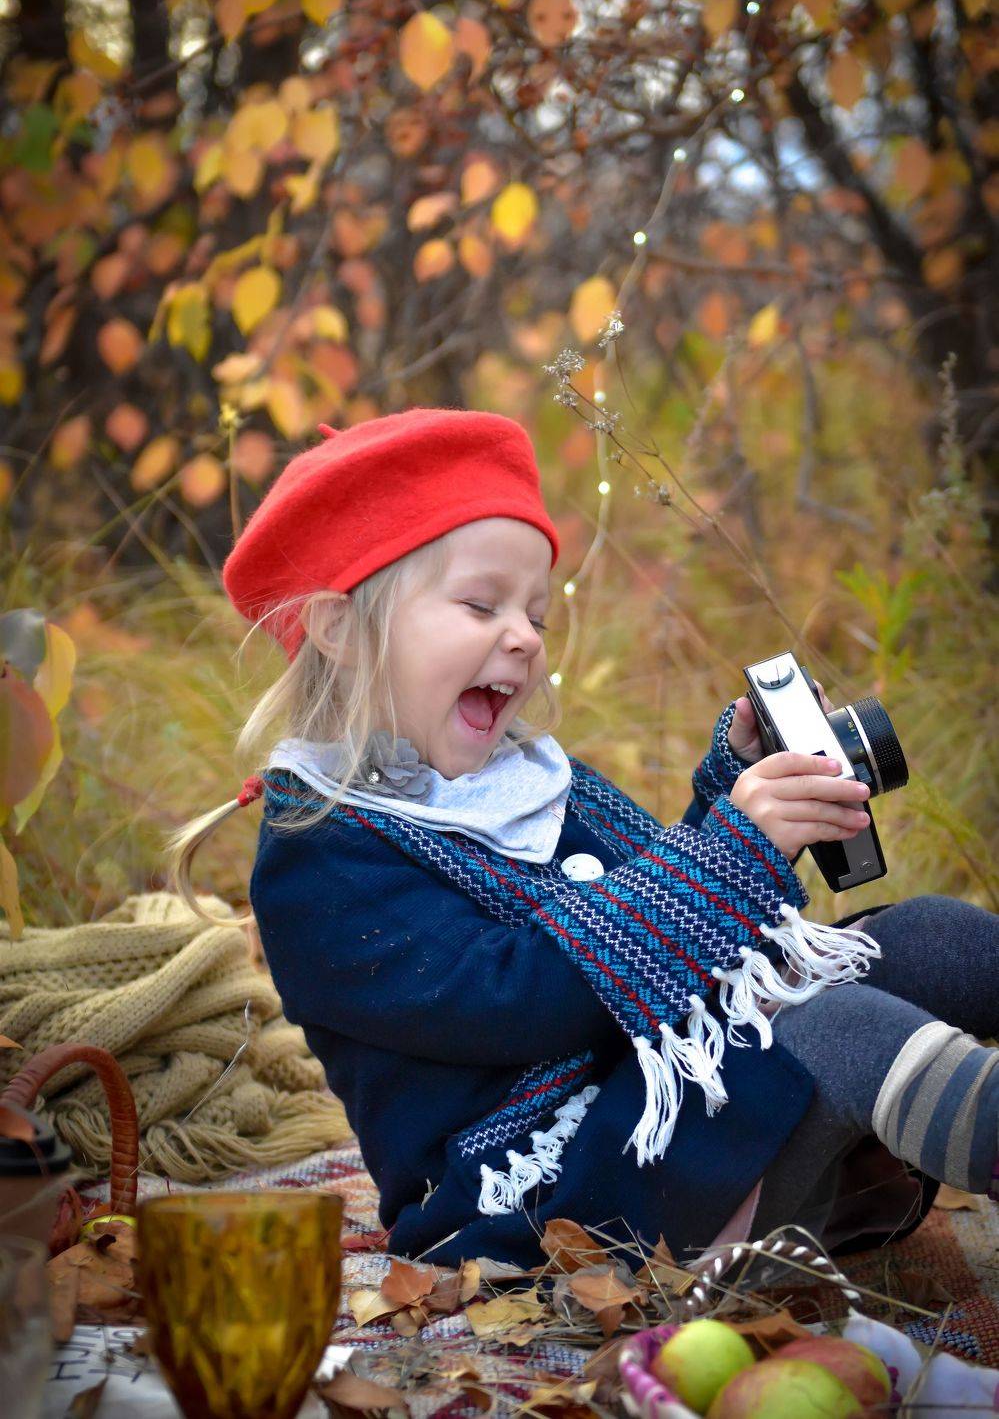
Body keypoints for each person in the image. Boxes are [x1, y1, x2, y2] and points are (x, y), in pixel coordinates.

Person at [169, 407, 999, 1273]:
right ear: (340, 629)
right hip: (549, 1193)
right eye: (481, 604)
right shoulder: (320, 858)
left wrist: (732, 792)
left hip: (674, 1106)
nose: (523, 637)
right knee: (834, 1028)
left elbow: (649, 913)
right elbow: (519, 998)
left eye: (536, 613)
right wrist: (729, 855)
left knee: (922, 936)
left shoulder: (523, 778)